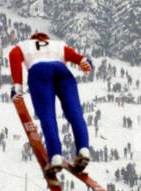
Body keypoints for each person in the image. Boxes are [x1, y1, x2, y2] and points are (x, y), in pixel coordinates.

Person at [8, 31, 94, 180]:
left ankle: (55, 156)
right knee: (75, 113)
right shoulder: (58, 45)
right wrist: (85, 63)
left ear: (33, 38)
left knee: (48, 116)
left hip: (38, 72)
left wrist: (17, 85)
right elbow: (80, 58)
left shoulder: (24, 45)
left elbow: (14, 56)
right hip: (62, 71)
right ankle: (84, 149)